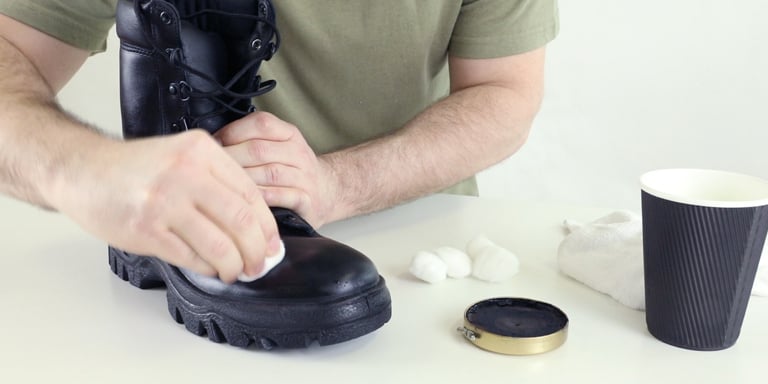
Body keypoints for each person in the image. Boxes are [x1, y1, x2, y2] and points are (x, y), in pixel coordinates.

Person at [0, 0, 559, 283]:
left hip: (421, 242)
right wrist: (87, 170)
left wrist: (339, 184)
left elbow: (505, 92)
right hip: (202, 233)